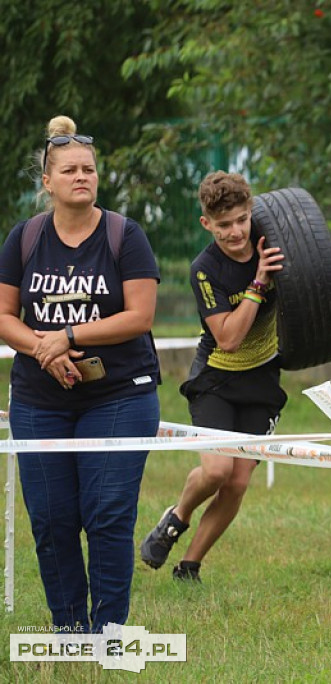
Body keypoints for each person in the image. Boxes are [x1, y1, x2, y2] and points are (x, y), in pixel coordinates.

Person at [139, 171, 331, 582]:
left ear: (251, 210)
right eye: (223, 225)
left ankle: (190, 566)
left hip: (263, 380)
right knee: (218, 471)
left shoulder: (273, 237)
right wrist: (258, 282)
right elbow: (229, 338)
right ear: (206, 224)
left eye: (241, 219)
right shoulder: (205, 269)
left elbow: (317, 278)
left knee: (237, 483)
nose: (235, 232)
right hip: (216, 378)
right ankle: (177, 516)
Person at [0, 115, 161, 633]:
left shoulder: (124, 235)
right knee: (51, 519)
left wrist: (67, 337)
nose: (81, 177)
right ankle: (68, 631)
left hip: (119, 395)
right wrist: (44, 349)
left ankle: (109, 633)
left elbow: (139, 317)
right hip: (38, 400)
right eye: (68, 170)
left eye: (88, 169)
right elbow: (4, 316)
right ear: (47, 181)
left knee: (108, 514)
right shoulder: (24, 239)